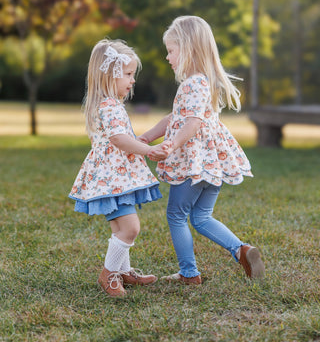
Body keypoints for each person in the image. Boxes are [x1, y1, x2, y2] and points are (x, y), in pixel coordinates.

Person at [141, 15, 265, 285]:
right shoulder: (203, 82)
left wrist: (171, 144)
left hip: (195, 165)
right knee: (201, 216)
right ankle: (242, 250)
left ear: (188, 49)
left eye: (171, 51)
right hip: (213, 165)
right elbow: (174, 118)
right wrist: (147, 137)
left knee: (176, 215)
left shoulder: (193, 83)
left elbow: (193, 123)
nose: (167, 57)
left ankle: (189, 274)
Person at [69, 39, 168, 297]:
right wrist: (147, 150)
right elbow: (118, 139)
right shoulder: (109, 105)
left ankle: (122, 271)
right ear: (108, 75)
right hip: (114, 177)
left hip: (114, 176)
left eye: (132, 74)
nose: (132, 80)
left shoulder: (108, 104)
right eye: (127, 74)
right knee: (130, 228)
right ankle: (108, 275)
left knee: (120, 228)